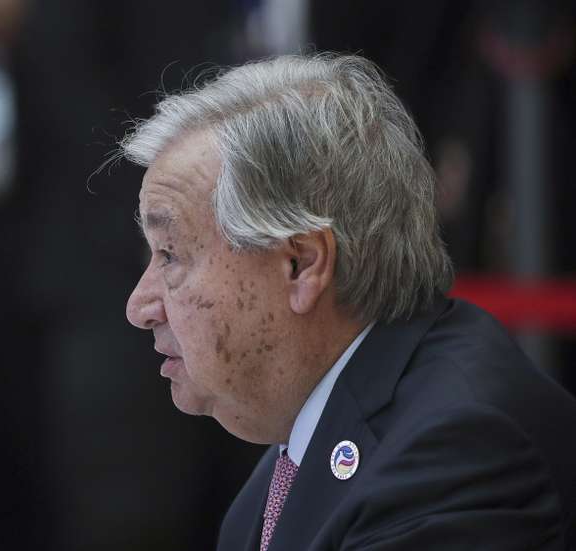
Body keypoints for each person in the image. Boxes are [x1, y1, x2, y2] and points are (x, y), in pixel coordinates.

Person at [121, 53, 576, 550]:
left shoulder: (455, 453)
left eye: (170, 255)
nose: (140, 306)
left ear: (301, 265)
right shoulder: (308, 432)